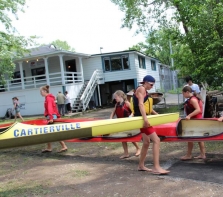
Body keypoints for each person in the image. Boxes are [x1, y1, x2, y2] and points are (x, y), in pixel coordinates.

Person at [132, 75, 169, 175]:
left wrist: (158, 115)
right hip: (142, 119)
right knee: (156, 140)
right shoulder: (141, 89)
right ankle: (156, 167)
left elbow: (148, 107)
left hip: (141, 118)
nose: (152, 87)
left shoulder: (143, 90)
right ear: (146, 82)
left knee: (146, 142)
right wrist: (145, 119)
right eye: (151, 84)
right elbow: (140, 104)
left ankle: (141, 165)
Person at [110, 90, 141, 159]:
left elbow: (133, 111)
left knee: (130, 137)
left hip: (128, 123)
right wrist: (110, 119)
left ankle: (138, 148)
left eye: (116, 97)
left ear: (120, 96)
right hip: (121, 123)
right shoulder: (117, 104)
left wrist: (131, 116)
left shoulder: (127, 103)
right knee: (122, 138)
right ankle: (126, 153)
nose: (115, 98)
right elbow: (113, 112)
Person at [180, 86, 206, 160]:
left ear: (187, 92)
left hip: (195, 121)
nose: (183, 95)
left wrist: (189, 116)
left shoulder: (193, 99)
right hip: (198, 120)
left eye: (183, 93)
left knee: (189, 138)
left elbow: (198, 110)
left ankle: (189, 155)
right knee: (199, 138)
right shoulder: (195, 98)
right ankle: (202, 154)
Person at [40, 85, 68, 153]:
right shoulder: (48, 98)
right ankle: (50, 147)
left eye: (41, 92)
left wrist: (51, 117)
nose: (40, 93)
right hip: (51, 116)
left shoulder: (48, 98)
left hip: (51, 117)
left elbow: (50, 108)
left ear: (44, 91)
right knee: (49, 132)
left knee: (51, 132)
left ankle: (63, 146)